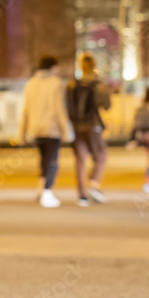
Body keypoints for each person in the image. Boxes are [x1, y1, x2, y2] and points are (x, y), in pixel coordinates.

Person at [20, 56, 73, 208]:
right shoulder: (56, 83)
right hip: (52, 128)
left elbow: (26, 109)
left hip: (36, 128)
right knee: (52, 161)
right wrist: (67, 131)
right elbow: (59, 109)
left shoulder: (31, 83)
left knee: (43, 160)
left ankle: (41, 187)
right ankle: (47, 191)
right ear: (52, 67)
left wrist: (22, 131)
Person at [67, 53, 112, 207]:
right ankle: (94, 183)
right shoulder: (99, 84)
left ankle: (82, 196)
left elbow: (67, 106)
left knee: (80, 160)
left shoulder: (72, 84)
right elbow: (106, 105)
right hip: (94, 126)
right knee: (100, 156)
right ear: (94, 66)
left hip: (77, 126)